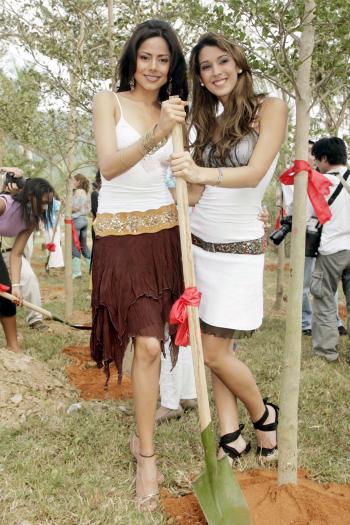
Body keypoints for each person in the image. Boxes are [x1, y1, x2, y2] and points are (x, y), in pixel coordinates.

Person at [170, 33, 287, 465]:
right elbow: (199, 191)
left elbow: (256, 173)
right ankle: (230, 433)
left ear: (238, 64)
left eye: (223, 62)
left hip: (238, 250)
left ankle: (263, 414)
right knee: (215, 349)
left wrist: (200, 170)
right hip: (200, 244)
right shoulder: (207, 119)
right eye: (205, 66)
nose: (216, 71)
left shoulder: (269, 108)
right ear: (198, 77)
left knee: (215, 350)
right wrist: (182, 180)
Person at [91, 20, 188, 512]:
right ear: (132, 58)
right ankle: (147, 456)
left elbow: (183, 181)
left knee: (155, 346)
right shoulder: (107, 101)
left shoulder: (177, 112)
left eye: (163, 59)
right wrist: (159, 132)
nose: (153, 67)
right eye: (146, 56)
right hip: (120, 237)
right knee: (146, 342)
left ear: (173, 67)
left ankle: (143, 447)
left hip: (164, 234)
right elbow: (108, 166)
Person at [0, 177, 54, 351]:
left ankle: (13, 346)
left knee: (7, 294)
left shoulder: (32, 218)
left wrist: (16, 285)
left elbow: (16, 254)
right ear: (31, 195)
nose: (46, 206)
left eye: (49, 203)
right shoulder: (4, 204)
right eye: (44, 201)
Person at [310, 137, 350, 362]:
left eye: (317, 158)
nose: (316, 163)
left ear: (325, 158)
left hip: (331, 250)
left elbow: (308, 214)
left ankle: (327, 353)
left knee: (324, 300)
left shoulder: (319, 181)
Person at [72, 173, 91, 279]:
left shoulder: (78, 192)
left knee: (74, 246)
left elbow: (75, 208)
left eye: (73, 180)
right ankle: (91, 269)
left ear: (78, 181)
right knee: (84, 246)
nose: (72, 183)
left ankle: (76, 272)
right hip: (84, 219)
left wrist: (66, 203)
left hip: (76, 220)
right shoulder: (86, 192)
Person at [44, 195, 64, 270]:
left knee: (55, 244)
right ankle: (50, 263)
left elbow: (58, 215)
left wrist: (55, 226)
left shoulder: (56, 203)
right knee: (48, 244)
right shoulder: (45, 203)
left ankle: (58, 263)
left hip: (54, 226)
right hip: (47, 226)